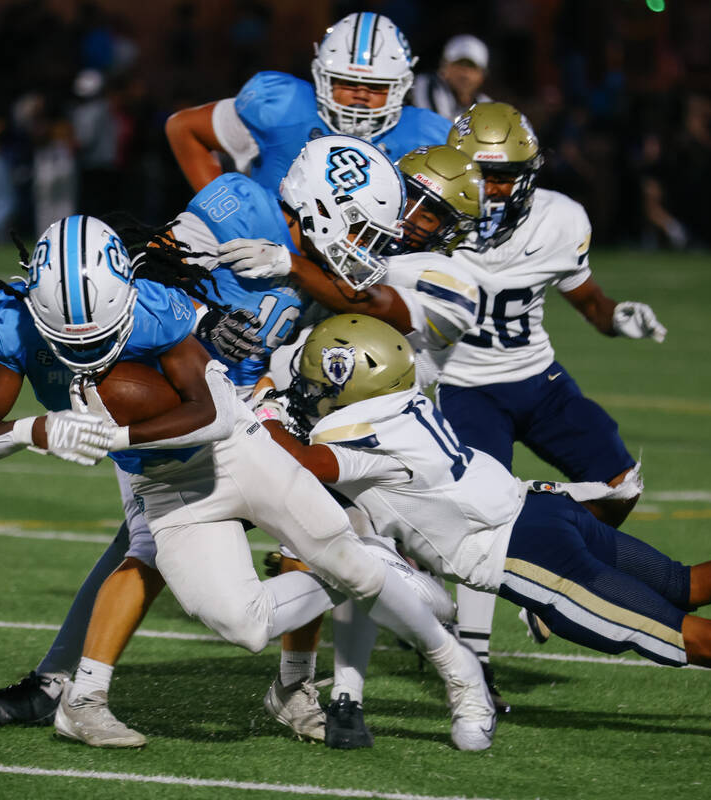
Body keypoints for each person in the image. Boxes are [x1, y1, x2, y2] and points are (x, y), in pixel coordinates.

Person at [257, 313, 711, 750]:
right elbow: (318, 396)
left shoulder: (353, 431)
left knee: (678, 634)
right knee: (684, 584)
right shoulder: (406, 397)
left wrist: (259, 419)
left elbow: (311, 459)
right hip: (544, 510)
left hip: (523, 555)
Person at [0, 226, 494, 751]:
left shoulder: (154, 305)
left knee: (344, 560)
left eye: (100, 334)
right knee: (246, 625)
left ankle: (461, 674)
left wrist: (109, 434)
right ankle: (365, 566)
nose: (90, 351)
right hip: (165, 485)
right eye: (72, 340)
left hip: (239, 448)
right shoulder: (13, 320)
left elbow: (211, 417)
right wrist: (36, 428)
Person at [222, 144, 486, 742]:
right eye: (410, 199)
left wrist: (291, 263)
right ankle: (328, 689)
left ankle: (451, 662)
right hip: (313, 407)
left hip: (386, 425)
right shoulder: (350, 243)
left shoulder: (451, 277)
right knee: (327, 544)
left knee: (382, 567)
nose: (416, 219)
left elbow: (370, 303)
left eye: (434, 213)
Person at [432, 102, 667, 705]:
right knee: (480, 521)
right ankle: (474, 663)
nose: (493, 189)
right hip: (463, 387)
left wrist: (618, 318)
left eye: (506, 175)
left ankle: (544, 585)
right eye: (482, 174)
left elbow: (588, 301)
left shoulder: (560, 220)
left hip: (537, 377)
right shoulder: (427, 218)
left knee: (621, 483)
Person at [165, 11, 450, 195]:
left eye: (377, 87)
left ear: (400, 86)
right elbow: (183, 127)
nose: (361, 94)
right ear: (324, 78)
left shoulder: (428, 136)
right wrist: (223, 209)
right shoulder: (284, 106)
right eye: (347, 82)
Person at [411, 34, 492, 121]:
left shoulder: (486, 106)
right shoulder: (426, 84)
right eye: (459, 65)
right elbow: (435, 127)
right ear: (444, 68)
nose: (465, 74)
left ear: (482, 75)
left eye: (472, 68)